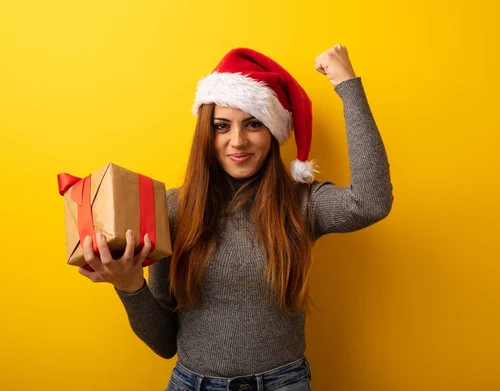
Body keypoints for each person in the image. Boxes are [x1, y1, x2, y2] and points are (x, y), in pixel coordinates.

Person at [77, 44, 393, 391]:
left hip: (282, 383)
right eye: (222, 126)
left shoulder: (301, 204)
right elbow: (165, 345)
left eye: (253, 124)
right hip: (192, 384)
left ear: (272, 132)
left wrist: (348, 85)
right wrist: (129, 285)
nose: (237, 141)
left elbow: (371, 202)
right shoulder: (173, 209)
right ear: (206, 134)